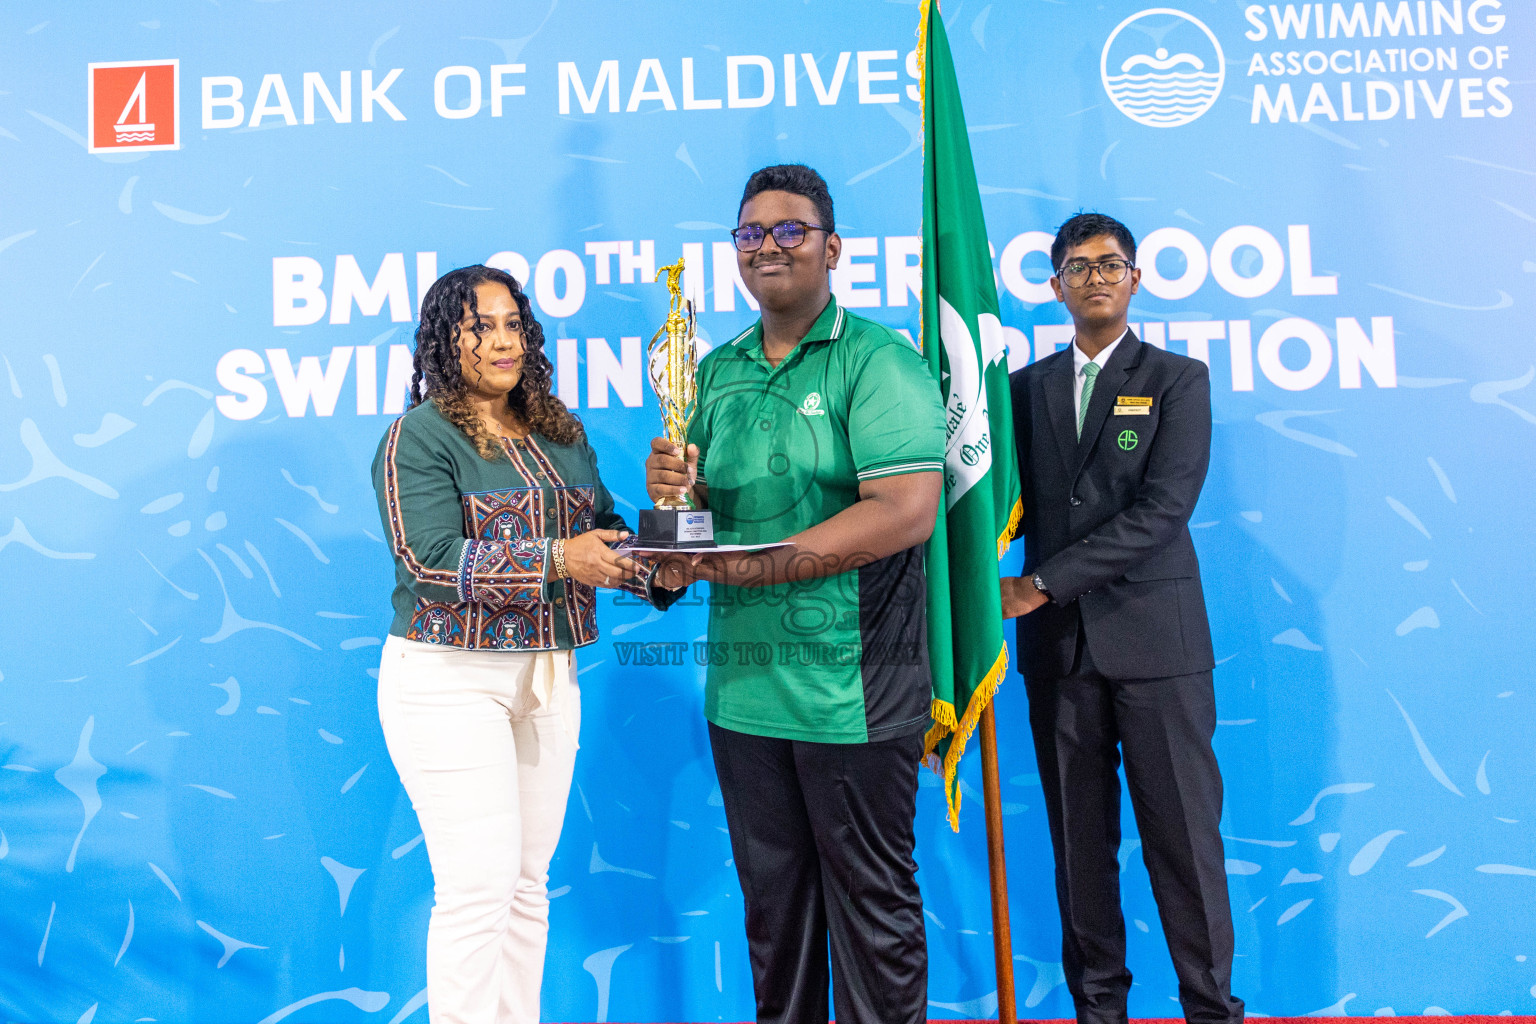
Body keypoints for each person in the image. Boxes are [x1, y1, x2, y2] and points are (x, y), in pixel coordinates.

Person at [645, 164, 946, 1024]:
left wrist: (748, 567)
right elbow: (694, 534)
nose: (768, 247)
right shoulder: (716, 372)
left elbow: (905, 512)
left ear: (832, 248)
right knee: (775, 922)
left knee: (872, 914)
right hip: (744, 694)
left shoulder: (878, 361)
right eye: (750, 234)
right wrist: (674, 503)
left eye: (790, 231)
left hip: (852, 691)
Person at [371, 265, 677, 1024]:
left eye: (514, 324)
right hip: (447, 680)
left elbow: (603, 533)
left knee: (526, 886)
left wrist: (671, 542)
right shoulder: (419, 436)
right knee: (477, 887)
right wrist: (556, 559)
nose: (503, 340)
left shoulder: (558, 429)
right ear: (446, 340)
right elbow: (428, 560)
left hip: (547, 676)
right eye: (482, 326)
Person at [1002, 213, 1244, 1024]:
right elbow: (996, 503)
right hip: (1060, 658)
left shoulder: (1180, 379)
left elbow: (1163, 512)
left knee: (1185, 847)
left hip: (1158, 646)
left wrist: (1040, 582)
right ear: (1055, 286)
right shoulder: (1022, 390)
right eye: (1078, 266)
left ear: (1136, 279)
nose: (1096, 277)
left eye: (1111, 264)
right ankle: (1097, 1012)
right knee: (1080, 851)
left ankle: (1211, 1009)